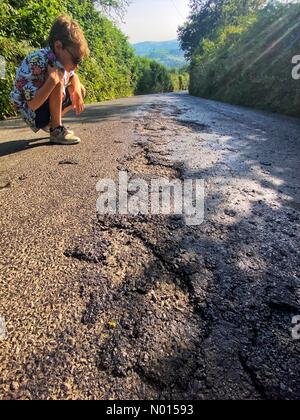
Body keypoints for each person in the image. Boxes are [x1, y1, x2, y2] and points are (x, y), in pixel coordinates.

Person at [10, 15, 89, 145]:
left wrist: (78, 93)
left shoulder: (59, 59)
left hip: (42, 107)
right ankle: (56, 130)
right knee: (56, 80)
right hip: (33, 113)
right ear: (58, 46)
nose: (77, 65)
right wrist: (52, 81)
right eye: (76, 60)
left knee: (79, 88)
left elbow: (73, 75)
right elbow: (32, 105)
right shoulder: (39, 61)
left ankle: (52, 123)